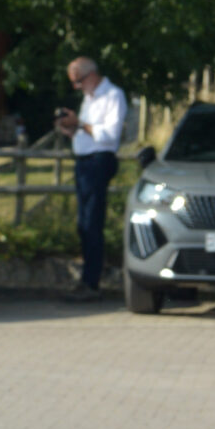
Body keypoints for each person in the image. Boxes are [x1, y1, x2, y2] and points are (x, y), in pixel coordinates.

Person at [58, 56, 127, 294]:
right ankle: (87, 278)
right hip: (85, 162)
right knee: (83, 224)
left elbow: (109, 135)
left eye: (78, 81)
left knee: (92, 223)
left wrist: (80, 123)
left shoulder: (113, 95)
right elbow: (86, 134)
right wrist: (70, 128)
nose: (76, 87)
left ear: (92, 75)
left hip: (99, 161)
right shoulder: (89, 98)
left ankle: (91, 281)